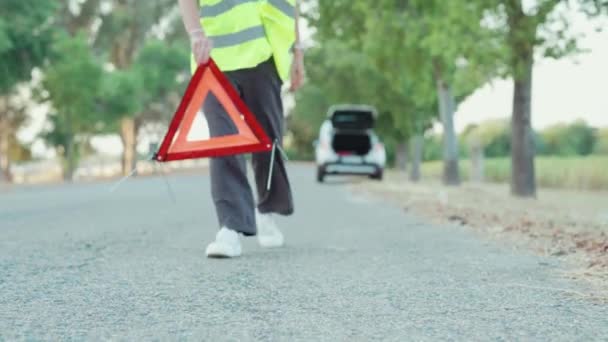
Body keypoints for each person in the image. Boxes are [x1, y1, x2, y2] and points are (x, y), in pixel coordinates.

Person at [177, 0, 304, 258]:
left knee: (269, 142)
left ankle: (266, 211)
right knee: (224, 141)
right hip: (214, 58)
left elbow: (291, 4)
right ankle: (230, 227)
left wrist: (298, 52)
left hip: (264, 57)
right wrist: (195, 33)